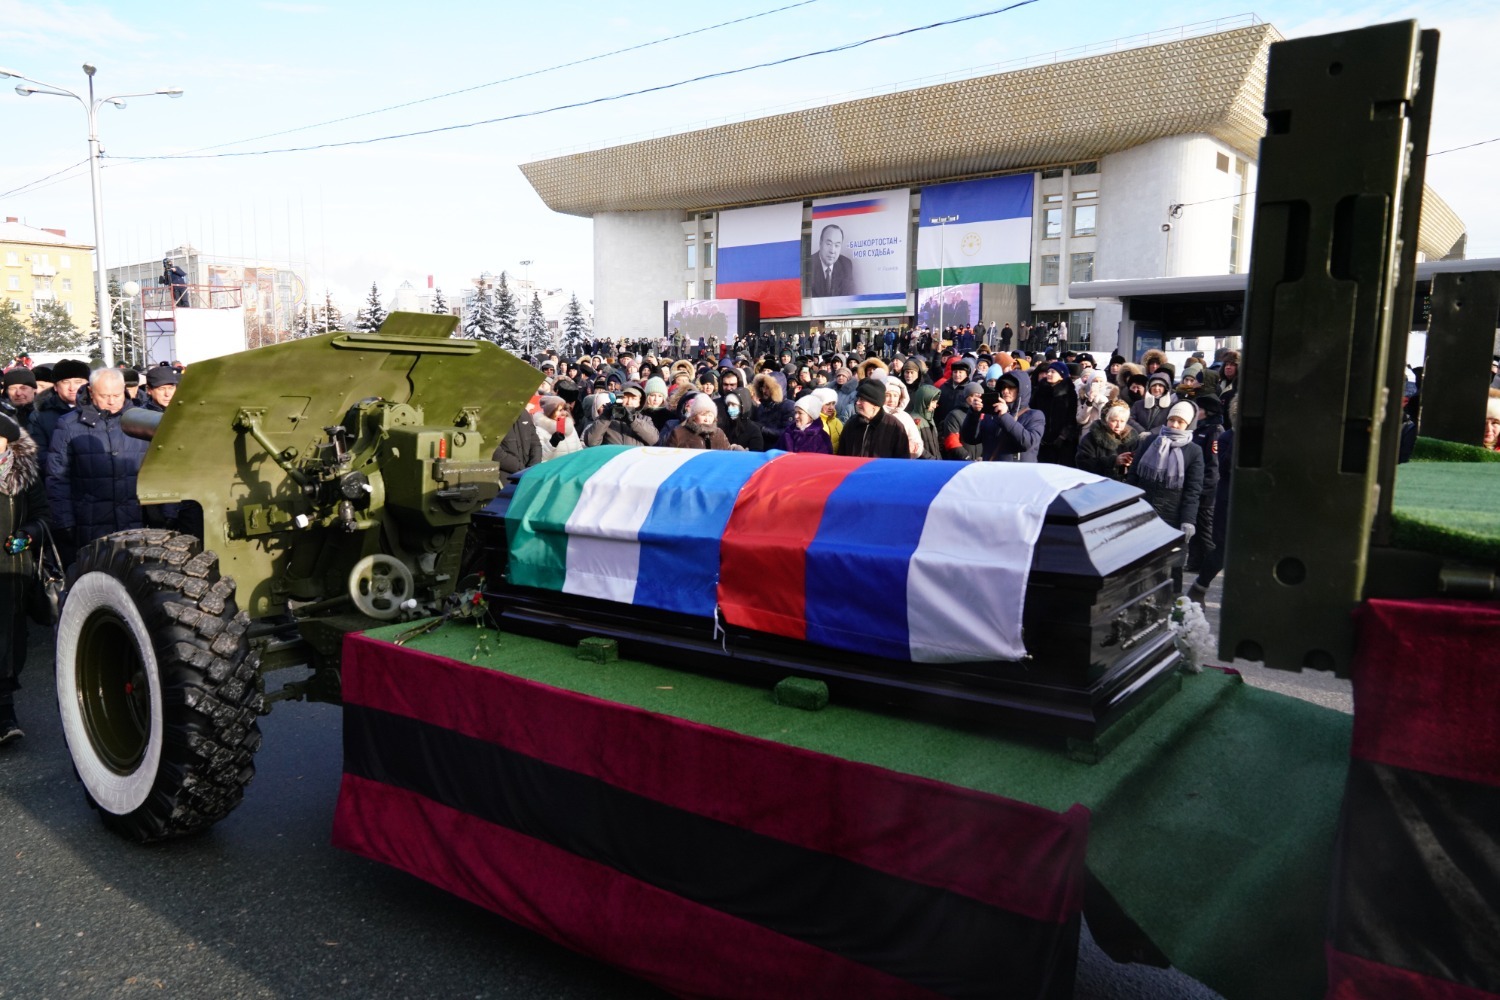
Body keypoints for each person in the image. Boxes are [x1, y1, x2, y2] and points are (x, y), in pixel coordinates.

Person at [45, 367, 147, 558]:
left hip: (137, 519)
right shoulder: (69, 425)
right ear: (91, 392)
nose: (111, 401)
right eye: (104, 396)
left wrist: (167, 512)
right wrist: (64, 521)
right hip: (89, 522)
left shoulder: (142, 421)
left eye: (117, 395)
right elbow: (57, 477)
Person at [0, 411, 49, 745]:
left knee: (7, 643)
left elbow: (44, 516)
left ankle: (5, 715)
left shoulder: (24, 474)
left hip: (11, 570)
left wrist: (28, 535)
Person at [1128, 400, 1205, 591]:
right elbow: (1133, 477)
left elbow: (1193, 490)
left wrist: (1188, 520)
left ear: (1188, 424)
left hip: (1173, 515)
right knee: (1139, 564)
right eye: (1172, 420)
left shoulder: (1194, 451)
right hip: (1144, 511)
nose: (1174, 425)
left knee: (1172, 566)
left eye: (1180, 421)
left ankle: (1173, 602)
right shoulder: (1149, 441)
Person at [961, 371, 1043, 462]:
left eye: (1011, 387)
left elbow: (1028, 443)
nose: (1005, 391)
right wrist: (974, 413)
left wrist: (1004, 416)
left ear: (1022, 389)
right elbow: (970, 438)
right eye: (1003, 387)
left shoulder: (1034, 415)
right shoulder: (992, 414)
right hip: (993, 468)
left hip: (1019, 470)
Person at [28, 357, 90, 459]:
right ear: (56, 387)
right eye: (66, 382)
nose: (72, 387)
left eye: (78, 382)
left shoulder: (100, 410)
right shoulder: (40, 415)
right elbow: (39, 453)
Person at [837, 378, 909, 458]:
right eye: (858, 399)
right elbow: (841, 455)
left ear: (875, 404)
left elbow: (902, 460)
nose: (857, 402)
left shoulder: (894, 426)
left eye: (862, 400)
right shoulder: (851, 424)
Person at [1076, 399, 1140, 480]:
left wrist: (1131, 462)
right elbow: (1083, 464)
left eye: (1122, 421)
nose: (1118, 425)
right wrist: (1113, 461)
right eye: (1114, 421)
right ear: (1105, 419)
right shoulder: (1091, 439)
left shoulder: (1132, 439)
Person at [583, 384, 659, 447]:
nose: (629, 402)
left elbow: (654, 440)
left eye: (633, 399)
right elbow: (591, 442)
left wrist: (633, 421)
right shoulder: (608, 420)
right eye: (625, 397)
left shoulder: (645, 419)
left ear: (640, 402)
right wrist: (605, 417)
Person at [665, 393, 730, 450]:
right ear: (694, 416)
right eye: (703, 415)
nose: (707, 419)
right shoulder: (679, 433)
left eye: (710, 416)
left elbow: (728, 455)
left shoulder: (719, 434)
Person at [808, 224, 854, 298]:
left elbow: (848, 298)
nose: (832, 251)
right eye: (829, 244)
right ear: (820, 243)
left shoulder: (846, 265)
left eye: (837, 245)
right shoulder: (807, 264)